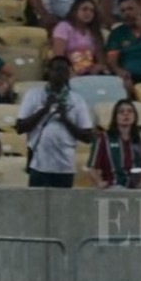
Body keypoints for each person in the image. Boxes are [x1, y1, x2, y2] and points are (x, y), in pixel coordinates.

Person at [16, 57, 96, 188]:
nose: (60, 73)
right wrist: (44, 109)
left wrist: (66, 120)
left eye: (65, 70)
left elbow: (87, 137)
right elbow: (20, 128)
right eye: (57, 69)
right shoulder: (33, 95)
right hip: (39, 165)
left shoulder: (77, 99)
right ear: (48, 71)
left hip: (65, 167)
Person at [87, 99, 141, 188]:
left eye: (130, 111)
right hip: (113, 187)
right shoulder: (104, 138)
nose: (126, 114)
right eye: (121, 112)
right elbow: (92, 168)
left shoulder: (138, 141)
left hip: (135, 188)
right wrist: (99, 183)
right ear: (115, 117)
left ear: (135, 116)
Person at [51, 0, 111, 75]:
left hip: (90, 72)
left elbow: (101, 60)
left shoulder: (94, 31)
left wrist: (98, 66)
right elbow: (58, 56)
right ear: (75, 11)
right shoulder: (63, 27)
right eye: (84, 9)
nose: (88, 13)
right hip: (68, 71)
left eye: (92, 11)